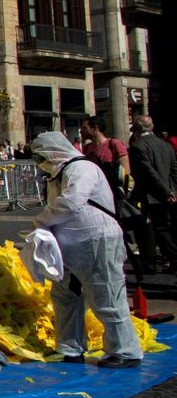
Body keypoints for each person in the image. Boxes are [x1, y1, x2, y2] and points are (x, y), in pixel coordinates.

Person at [31, 131, 143, 368]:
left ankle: (125, 351)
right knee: (64, 297)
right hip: (69, 246)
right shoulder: (57, 175)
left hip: (96, 240)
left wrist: (42, 219)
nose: (41, 163)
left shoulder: (81, 168)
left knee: (106, 295)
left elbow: (72, 201)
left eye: (41, 156)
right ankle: (70, 347)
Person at [129, 115, 177, 274]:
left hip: (148, 194)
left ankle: (153, 262)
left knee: (146, 230)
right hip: (164, 194)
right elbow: (174, 171)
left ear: (137, 129)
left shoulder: (137, 147)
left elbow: (149, 173)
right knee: (162, 228)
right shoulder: (166, 145)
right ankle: (169, 259)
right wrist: (172, 191)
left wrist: (166, 191)